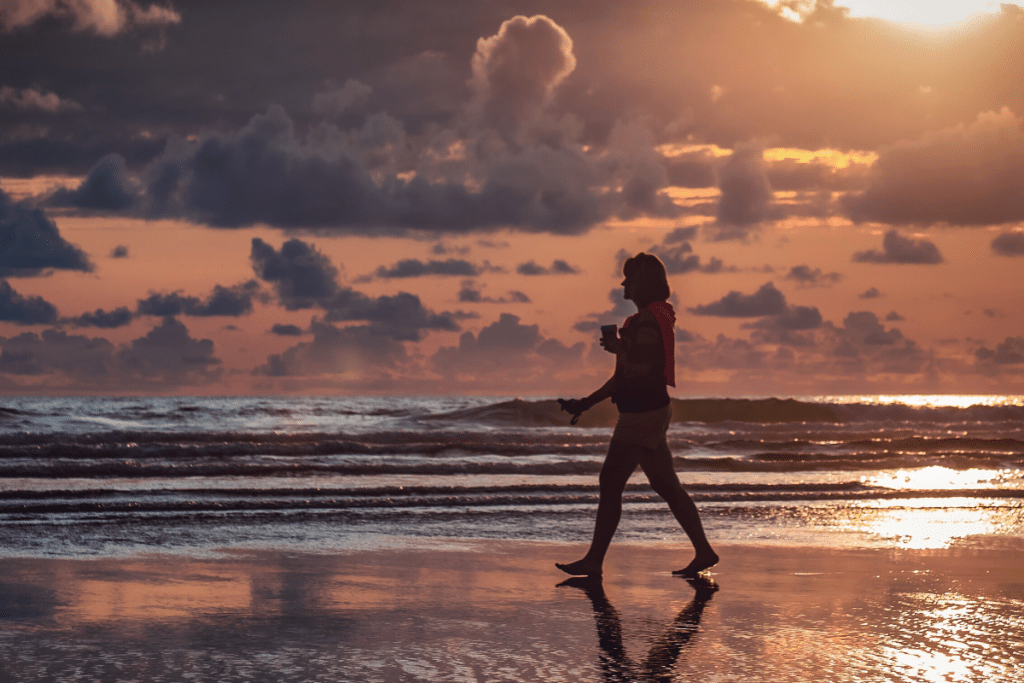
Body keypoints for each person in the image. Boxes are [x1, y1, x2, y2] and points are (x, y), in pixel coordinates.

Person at [556, 252, 718, 578]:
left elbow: (644, 368)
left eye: (628, 278)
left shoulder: (647, 321)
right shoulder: (651, 318)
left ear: (641, 282)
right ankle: (704, 551)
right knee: (665, 485)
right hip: (652, 411)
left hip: (642, 415)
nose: (623, 284)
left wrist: (619, 349)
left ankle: (594, 562)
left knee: (610, 481)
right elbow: (624, 376)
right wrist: (585, 403)